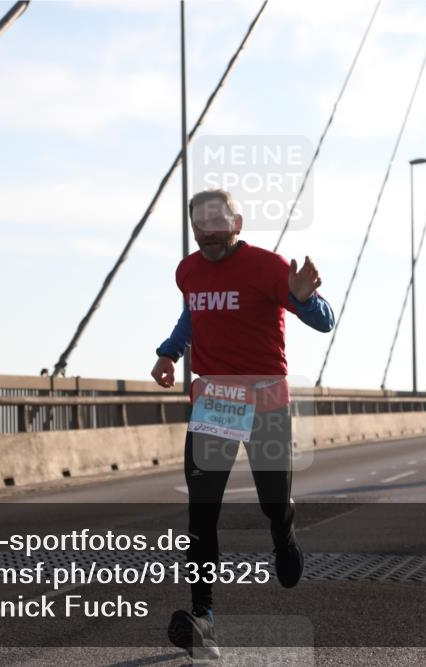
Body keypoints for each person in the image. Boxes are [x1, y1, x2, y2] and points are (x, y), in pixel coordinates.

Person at [151, 189, 335, 660]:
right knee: (201, 515)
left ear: (237, 222)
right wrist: (169, 352)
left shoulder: (269, 267)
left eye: (216, 222)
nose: (207, 232)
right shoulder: (187, 270)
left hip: (266, 403)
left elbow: (324, 320)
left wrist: (304, 297)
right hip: (213, 403)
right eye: (199, 225)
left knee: (273, 500)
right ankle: (203, 618)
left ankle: (284, 531)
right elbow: (192, 314)